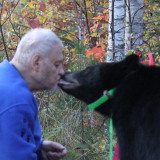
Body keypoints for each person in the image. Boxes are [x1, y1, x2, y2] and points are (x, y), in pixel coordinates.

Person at [0, 28, 67, 160]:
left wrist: (37, 146)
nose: (62, 72)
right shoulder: (16, 100)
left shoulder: (4, 75)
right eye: (57, 64)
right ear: (36, 62)